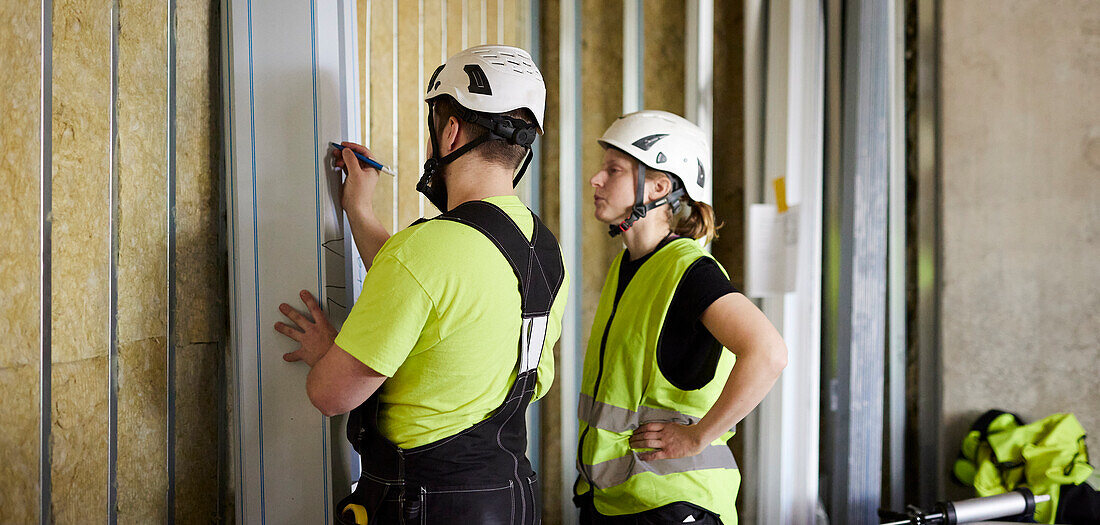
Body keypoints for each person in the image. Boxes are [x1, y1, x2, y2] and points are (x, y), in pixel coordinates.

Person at [275, 45, 569, 525]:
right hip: (511, 498)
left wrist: (333, 352)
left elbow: (330, 395)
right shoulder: (544, 249)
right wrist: (360, 211)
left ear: (450, 130)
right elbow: (426, 291)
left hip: (426, 504)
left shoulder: (426, 250)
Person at [575, 110, 787, 525]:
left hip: (671, 505)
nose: (596, 180)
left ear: (659, 186)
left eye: (613, 170)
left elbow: (769, 352)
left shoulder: (690, 271)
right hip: (618, 500)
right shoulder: (629, 265)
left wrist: (698, 435)